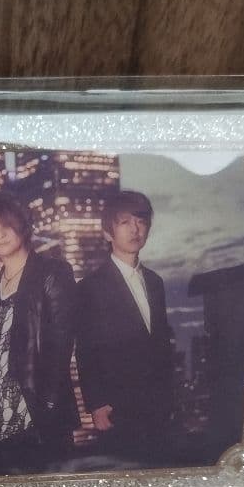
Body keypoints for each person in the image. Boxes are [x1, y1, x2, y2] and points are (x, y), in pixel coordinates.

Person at [0, 190, 79, 474]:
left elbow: (61, 346)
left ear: (22, 223)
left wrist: (49, 406)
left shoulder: (52, 273)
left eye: (5, 224)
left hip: (37, 417)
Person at [76, 190, 175, 466]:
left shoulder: (155, 282)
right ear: (107, 232)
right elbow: (85, 350)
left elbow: (161, 345)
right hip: (117, 407)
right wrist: (97, 403)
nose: (135, 229)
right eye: (124, 222)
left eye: (141, 221)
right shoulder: (90, 287)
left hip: (158, 407)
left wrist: (170, 399)